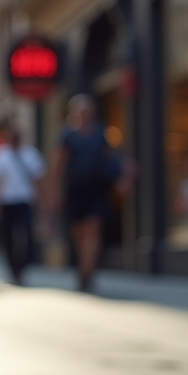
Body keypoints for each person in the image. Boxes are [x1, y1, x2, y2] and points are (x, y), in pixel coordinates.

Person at [47, 93, 128, 292]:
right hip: (75, 190)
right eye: (81, 111)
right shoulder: (68, 135)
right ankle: (84, 267)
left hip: (96, 189)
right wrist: (54, 190)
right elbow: (59, 163)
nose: (85, 114)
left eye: (88, 110)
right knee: (78, 233)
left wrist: (120, 179)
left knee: (94, 228)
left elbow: (109, 160)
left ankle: (87, 272)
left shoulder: (100, 133)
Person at [0, 122, 45, 286]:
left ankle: (23, 267)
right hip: (6, 202)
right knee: (8, 238)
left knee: (27, 236)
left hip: (25, 201)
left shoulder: (31, 155)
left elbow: (38, 181)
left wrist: (44, 202)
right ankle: (13, 269)